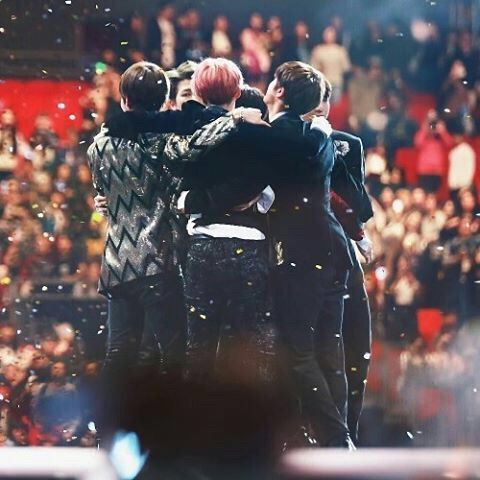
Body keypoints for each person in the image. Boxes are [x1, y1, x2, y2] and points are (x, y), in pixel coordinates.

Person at [306, 77, 374, 444]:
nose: (320, 105)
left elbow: (357, 204)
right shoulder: (283, 140)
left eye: (324, 98)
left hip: (341, 255)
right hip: (299, 256)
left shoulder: (348, 144)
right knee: (315, 352)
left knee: (353, 349)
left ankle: (347, 435)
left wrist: (356, 230)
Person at [310, 27, 351, 103]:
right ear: (323, 36)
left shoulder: (340, 50)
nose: (329, 37)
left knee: (336, 106)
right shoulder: (318, 50)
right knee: (323, 105)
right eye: (327, 35)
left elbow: (346, 68)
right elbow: (313, 67)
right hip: (323, 83)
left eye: (331, 35)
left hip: (337, 83)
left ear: (335, 36)